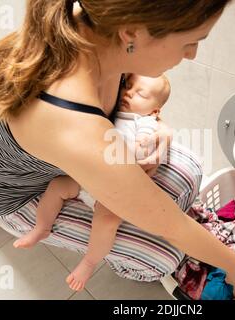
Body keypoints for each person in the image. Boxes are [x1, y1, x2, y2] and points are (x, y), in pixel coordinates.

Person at [0, 0, 235, 300]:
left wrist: (160, 126)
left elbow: (133, 106)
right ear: (131, 33)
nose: (192, 55)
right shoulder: (67, 115)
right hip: (24, 194)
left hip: (57, 159)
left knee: (189, 168)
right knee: (164, 254)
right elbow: (169, 224)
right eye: (191, 42)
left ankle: (136, 236)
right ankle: (129, 264)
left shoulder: (95, 24)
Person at [12, 74, 171, 292]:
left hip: (113, 189)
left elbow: (141, 151)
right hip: (89, 176)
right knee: (58, 186)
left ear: (154, 111)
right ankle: (42, 227)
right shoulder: (114, 109)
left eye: (140, 93)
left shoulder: (144, 123)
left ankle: (89, 262)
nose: (129, 93)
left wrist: (138, 146)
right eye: (129, 86)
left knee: (107, 221)